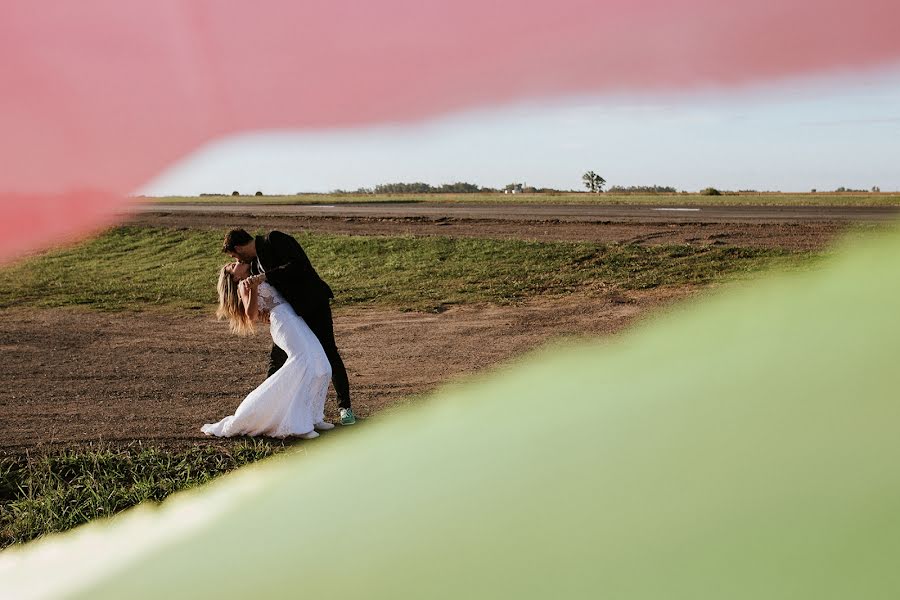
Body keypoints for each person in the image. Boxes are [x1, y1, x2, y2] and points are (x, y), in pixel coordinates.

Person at [222, 228, 356, 425]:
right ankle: (265, 411)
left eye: (235, 256)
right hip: (290, 318)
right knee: (277, 361)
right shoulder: (253, 267)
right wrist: (266, 310)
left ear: (239, 247)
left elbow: (299, 265)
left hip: (313, 305)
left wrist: (265, 277)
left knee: (328, 352)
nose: (237, 261)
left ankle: (345, 408)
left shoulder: (274, 240)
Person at [202, 261, 333, 438]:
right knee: (303, 362)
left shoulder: (258, 272)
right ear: (234, 277)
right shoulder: (244, 285)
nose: (237, 263)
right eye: (232, 266)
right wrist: (254, 288)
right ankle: (296, 424)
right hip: (282, 322)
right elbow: (251, 314)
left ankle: (314, 416)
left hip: (294, 317)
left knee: (321, 364)